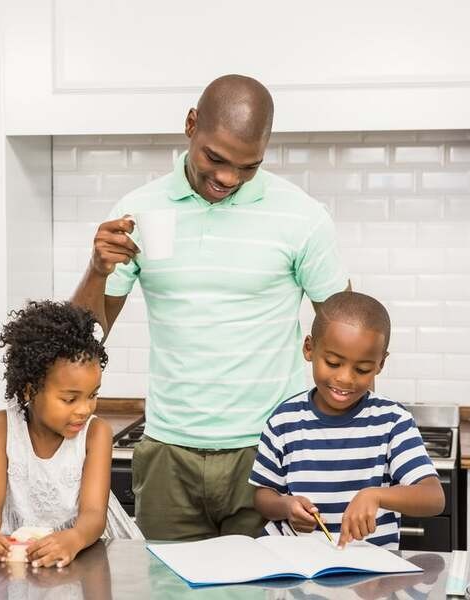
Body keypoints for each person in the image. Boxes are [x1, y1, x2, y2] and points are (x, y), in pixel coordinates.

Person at [71, 74, 349, 540]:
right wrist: (97, 269)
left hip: (269, 453)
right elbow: (81, 343)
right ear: (191, 124)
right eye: (215, 158)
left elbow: (346, 330)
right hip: (167, 455)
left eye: (247, 167)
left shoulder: (302, 217)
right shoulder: (138, 211)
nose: (227, 178)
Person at [249, 291, 445, 549]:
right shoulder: (284, 420)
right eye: (332, 363)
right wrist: (286, 506)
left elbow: (433, 497)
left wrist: (376, 496)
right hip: (296, 568)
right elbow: (263, 495)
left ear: (380, 364)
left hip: (368, 576)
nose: (345, 379)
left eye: (362, 369)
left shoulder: (392, 421)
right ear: (309, 349)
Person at [0, 300, 141, 567]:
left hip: (86, 551)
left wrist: (73, 539)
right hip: (22, 554)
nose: (85, 409)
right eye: (70, 399)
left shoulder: (96, 434)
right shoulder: (1, 428)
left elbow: (94, 515)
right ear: (30, 391)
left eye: (92, 395)